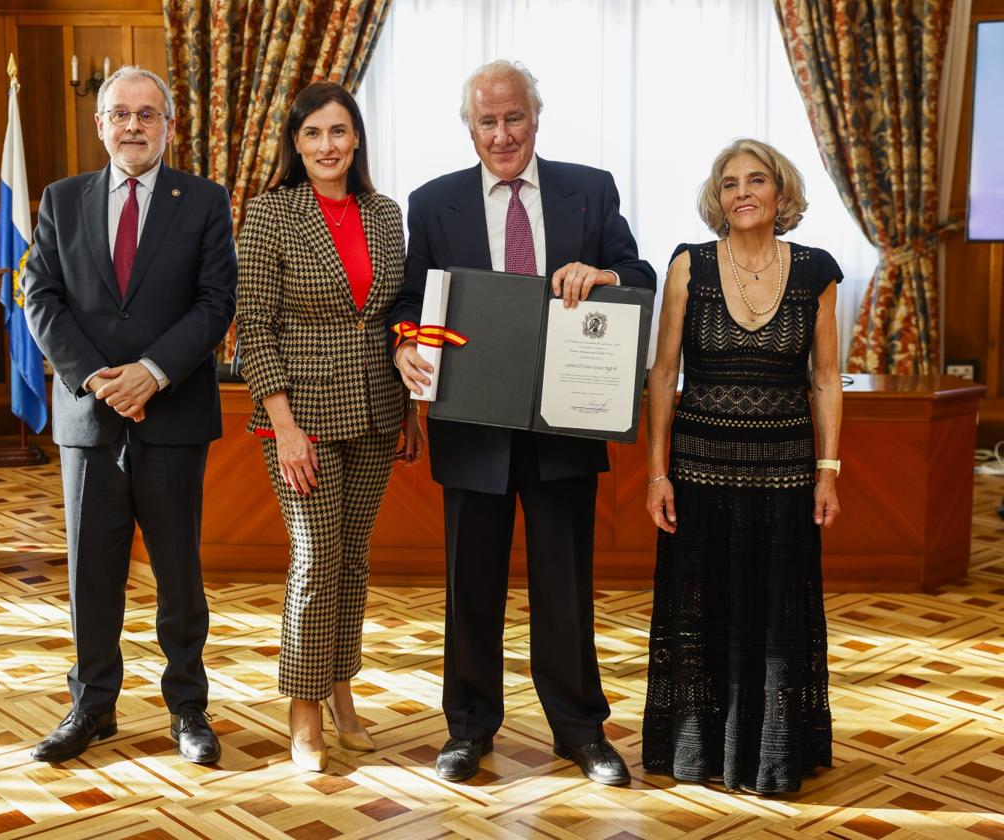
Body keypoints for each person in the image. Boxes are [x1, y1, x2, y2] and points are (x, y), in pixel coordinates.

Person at [391, 60, 655, 786]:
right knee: (469, 586)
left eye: (514, 118)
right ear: (469, 127)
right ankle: (469, 730)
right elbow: (411, 301)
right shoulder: (433, 201)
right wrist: (407, 341)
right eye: (488, 121)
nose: (502, 134)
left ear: (535, 119)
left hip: (564, 425)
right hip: (472, 426)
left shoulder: (589, 191)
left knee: (565, 586)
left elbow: (639, 275)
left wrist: (604, 277)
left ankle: (580, 731)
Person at [24, 66, 237, 765]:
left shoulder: (204, 200)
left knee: (179, 572)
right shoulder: (61, 199)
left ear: (169, 126)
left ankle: (188, 709)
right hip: (90, 418)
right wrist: (95, 377)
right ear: (101, 125)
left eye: (148, 114)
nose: (134, 125)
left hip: (172, 414)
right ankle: (91, 705)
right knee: (92, 571)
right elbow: (40, 296)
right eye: (120, 113)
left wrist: (150, 373)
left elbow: (214, 302)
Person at [643, 138, 841, 794]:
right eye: (729, 184)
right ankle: (699, 751)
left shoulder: (817, 271)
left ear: (781, 193)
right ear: (717, 198)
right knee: (703, 615)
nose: (743, 192)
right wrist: (657, 472)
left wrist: (828, 470)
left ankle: (773, 757)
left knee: (776, 618)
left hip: (784, 476)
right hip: (699, 472)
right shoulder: (688, 266)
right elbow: (664, 372)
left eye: (757, 180)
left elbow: (825, 379)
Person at [236, 81, 420, 773]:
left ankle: (342, 689)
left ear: (357, 139)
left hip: (376, 410)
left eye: (338, 131)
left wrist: (410, 411)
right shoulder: (269, 214)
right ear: (295, 141)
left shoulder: (384, 213)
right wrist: (282, 424)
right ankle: (304, 711)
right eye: (313, 133)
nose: (326, 146)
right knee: (313, 561)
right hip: (300, 418)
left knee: (351, 561)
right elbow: (253, 326)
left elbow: (398, 314)